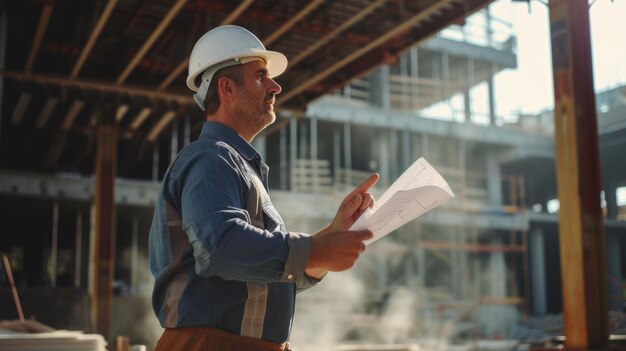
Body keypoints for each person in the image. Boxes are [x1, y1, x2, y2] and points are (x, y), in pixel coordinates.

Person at [149, 25, 379, 351]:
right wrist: (318, 248)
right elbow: (221, 247)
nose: (275, 86)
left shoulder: (236, 165)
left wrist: (331, 234)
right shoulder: (211, 158)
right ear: (227, 88)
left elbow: (260, 276)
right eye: (260, 76)